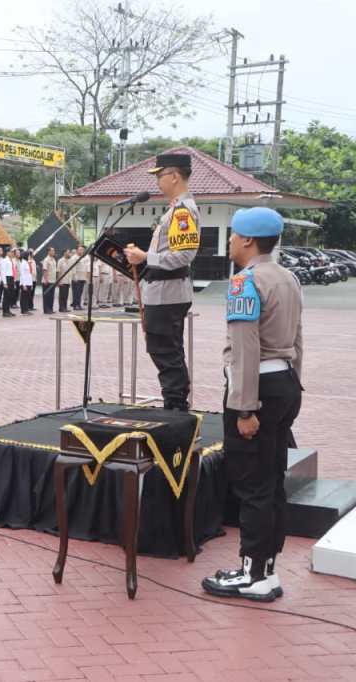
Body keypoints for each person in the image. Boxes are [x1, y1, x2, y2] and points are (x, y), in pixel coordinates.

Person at [201, 207, 302, 602]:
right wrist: (296, 385)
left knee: (252, 485)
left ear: (246, 240)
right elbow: (298, 338)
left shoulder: (245, 282)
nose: (228, 242)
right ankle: (267, 569)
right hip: (285, 382)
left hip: (255, 387)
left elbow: (245, 348)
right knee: (272, 479)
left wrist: (244, 408)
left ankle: (252, 573)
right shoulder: (288, 278)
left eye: (231, 235)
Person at [125, 153, 200, 411]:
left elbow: (184, 255)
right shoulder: (174, 209)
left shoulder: (182, 212)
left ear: (175, 176)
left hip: (168, 293)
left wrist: (146, 256)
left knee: (166, 351)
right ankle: (175, 403)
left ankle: (176, 407)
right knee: (164, 350)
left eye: (160, 175)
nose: (157, 181)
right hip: (161, 291)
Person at [0, 248, 16, 317]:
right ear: (7, 253)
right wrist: (5, 283)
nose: (12, 253)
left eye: (13, 252)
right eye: (11, 252)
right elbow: (3, 272)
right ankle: (5, 312)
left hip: (11, 278)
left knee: (10, 295)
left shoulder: (11, 260)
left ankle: (8, 310)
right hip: (7, 278)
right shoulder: (4, 261)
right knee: (6, 296)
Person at [71, 246, 89, 310]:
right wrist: (75, 277)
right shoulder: (74, 258)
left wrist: (85, 278)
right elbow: (73, 268)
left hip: (82, 277)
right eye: (80, 250)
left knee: (80, 292)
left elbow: (85, 268)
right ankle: (75, 305)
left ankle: (79, 304)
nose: (82, 251)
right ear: (77, 250)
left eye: (82, 250)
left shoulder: (83, 258)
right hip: (76, 278)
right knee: (76, 292)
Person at [42, 247, 58, 314]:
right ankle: (46, 310)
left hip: (53, 280)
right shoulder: (46, 260)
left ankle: (50, 309)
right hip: (47, 281)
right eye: (52, 251)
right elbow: (44, 270)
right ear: (48, 252)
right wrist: (46, 280)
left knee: (51, 296)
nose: (53, 252)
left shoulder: (53, 259)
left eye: (54, 250)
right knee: (47, 296)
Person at [19, 248, 34, 315]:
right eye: (28, 255)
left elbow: (30, 274)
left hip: (28, 282)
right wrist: (24, 284)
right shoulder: (23, 263)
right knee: (24, 297)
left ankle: (26, 309)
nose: (29, 256)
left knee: (27, 297)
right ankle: (23, 310)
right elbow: (22, 274)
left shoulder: (27, 263)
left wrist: (31, 284)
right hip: (24, 283)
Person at [57, 249, 73, 313]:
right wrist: (59, 281)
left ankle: (65, 307)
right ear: (64, 253)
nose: (69, 254)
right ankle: (61, 308)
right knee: (62, 295)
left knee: (66, 295)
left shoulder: (70, 261)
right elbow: (58, 271)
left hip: (68, 280)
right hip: (62, 281)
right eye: (68, 252)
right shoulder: (60, 261)